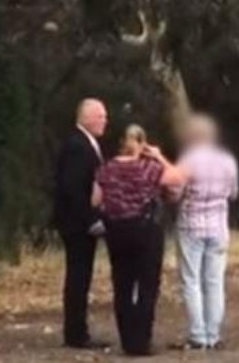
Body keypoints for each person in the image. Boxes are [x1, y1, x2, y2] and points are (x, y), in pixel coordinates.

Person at [94, 124, 184, 356]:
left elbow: (95, 200)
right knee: (147, 286)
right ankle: (142, 341)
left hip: (117, 231)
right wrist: (158, 156)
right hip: (145, 230)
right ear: (142, 143)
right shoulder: (149, 168)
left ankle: (127, 340)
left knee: (122, 285)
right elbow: (177, 178)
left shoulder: (106, 168)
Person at [170, 114, 239, 351]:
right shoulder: (227, 160)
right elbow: (233, 193)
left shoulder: (188, 160)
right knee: (214, 281)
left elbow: (175, 191)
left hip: (191, 225)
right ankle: (214, 333)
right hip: (218, 226)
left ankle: (197, 334)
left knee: (191, 280)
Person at [53, 98, 109, 349]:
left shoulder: (86, 143)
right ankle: (75, 333)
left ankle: (78, 330)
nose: (104, 121)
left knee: (81, 277)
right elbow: (73, 188)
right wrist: (90, 219)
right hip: (77, 225)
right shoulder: (77, 145)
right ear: (85, 117)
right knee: (78, 277)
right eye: (100, 116)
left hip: (79, 222)